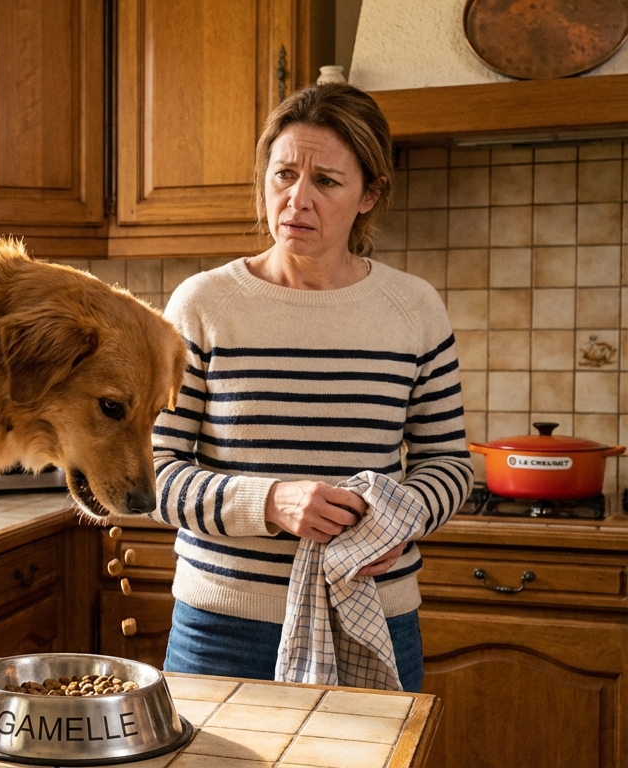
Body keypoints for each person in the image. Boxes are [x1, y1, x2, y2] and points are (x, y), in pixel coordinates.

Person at [151, 83, 472, 693]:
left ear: (369, 194)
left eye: (325, 181)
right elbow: (154, 471)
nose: (297, 199)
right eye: (284, 174)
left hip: (374, 613)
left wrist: (400, 519)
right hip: (223, 625)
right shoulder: (203, 304)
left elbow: (449, 465)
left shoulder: (413, 309)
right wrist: (269, 502)